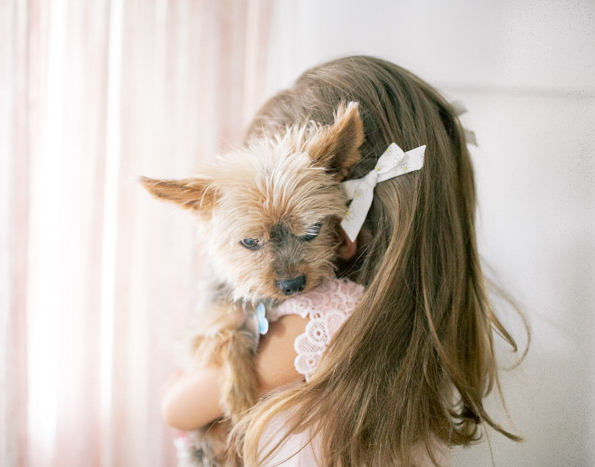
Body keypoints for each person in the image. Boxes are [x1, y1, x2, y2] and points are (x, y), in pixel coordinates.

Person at [161, 56, 525, 466]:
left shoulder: (319, 323)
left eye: (311, 231)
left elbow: (177, 406)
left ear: (346, 223)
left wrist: (181, 378)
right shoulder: (421, 318)